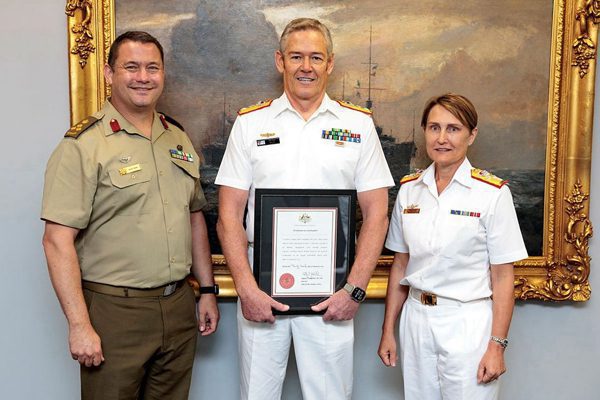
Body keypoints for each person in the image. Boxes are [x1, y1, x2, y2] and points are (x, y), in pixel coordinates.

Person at [215, 18, 394, 400]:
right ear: (280, 61)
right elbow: (228, 215)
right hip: (261, 292)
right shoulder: (250, 124)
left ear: (330, 64)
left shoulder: (358, 125)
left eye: (316, 57)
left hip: (333, 293)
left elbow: (377, 214)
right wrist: (246, 290)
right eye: (296, 56)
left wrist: (355, 290)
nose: (306, 67)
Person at [41, 31, 219, 399]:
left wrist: (208, 290)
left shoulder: (177, 138)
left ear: (163, 74)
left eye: (152, 68)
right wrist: (79, 325)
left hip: (177, 307)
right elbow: (57, 240)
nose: (143, 77)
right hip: (114, 313)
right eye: (131, 67)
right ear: (109, 74)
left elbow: (194, 217)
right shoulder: (83, 146)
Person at [378, 93, 528, 400]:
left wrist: (497, 346)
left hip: (467, 323)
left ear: (471, 135)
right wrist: (387, 331)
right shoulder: (409, 191)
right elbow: (401, 266)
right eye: (434, 128)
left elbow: (503, 277)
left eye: (453, 128)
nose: (442, 138)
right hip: (416, 320)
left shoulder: (492, 194)